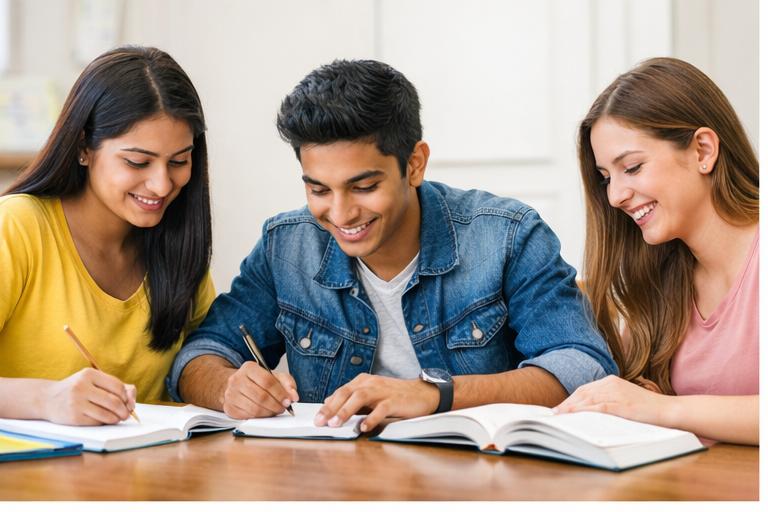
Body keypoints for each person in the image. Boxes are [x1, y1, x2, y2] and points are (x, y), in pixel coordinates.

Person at [168, 59, 616, 433]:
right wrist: (229, 387)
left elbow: (582, 366)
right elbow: (199, 356)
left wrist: (436, 395)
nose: (341, 215)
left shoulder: (507, 236)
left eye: (363, 186)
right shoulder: (286, 246)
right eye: (319, 190)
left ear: (415, 164)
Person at [0, 46, 215, 426]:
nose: (162, 184)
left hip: (146, 475)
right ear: (84, 147)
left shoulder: (178, 245)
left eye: (179, 161)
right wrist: (46, 399)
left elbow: (205, 358)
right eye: (137, 162)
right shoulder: (16, 227)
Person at [555, 58, 758, 445]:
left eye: (631, 167)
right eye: (606, 178)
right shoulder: (664, 280)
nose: (614, 196)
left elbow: (646, 406)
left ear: (703, 150)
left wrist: (661, 409)